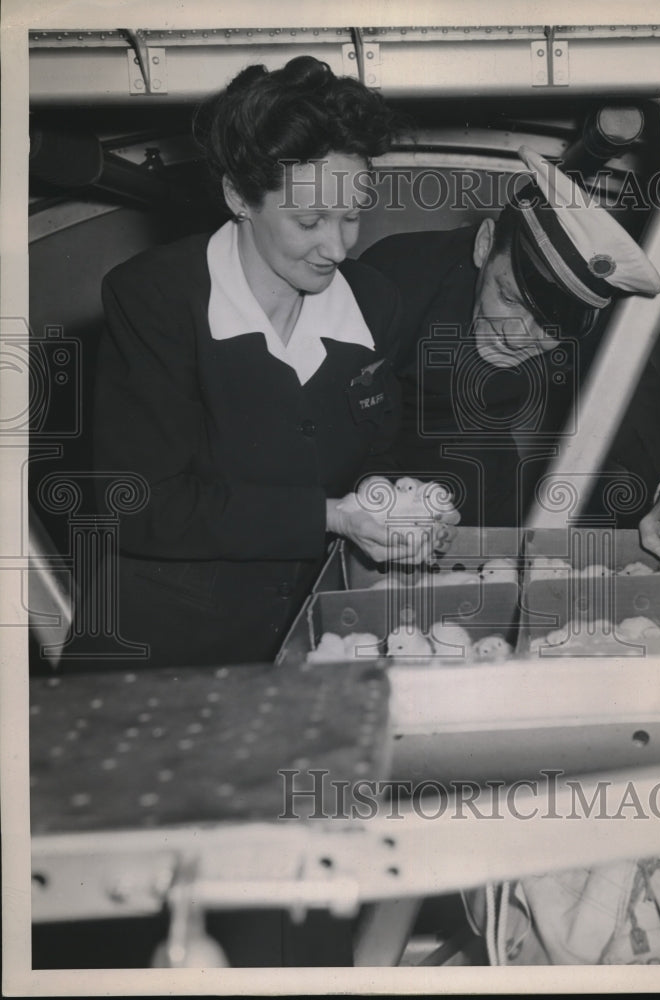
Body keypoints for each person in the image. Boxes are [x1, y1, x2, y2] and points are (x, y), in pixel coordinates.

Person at [89, 56, 454, 669]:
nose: (337, 248)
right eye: (310, 220)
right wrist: (333, 516)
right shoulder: (154, 296)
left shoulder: (374, 300)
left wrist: (398, 502)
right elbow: (140, 505)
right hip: (168, 639)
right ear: (239, 196)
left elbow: (378, 449)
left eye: (352, 216)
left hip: (316, 631)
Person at [361, 147, 660, 566]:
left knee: (496, 560)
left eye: (549, 330)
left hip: (481, 446)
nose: (521, 338)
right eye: (510, 299)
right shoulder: (393, 279)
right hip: (378, 436)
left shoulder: (575, 317)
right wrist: (385, 493)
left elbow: (623, 388)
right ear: (483, 246)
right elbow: (334, 421)